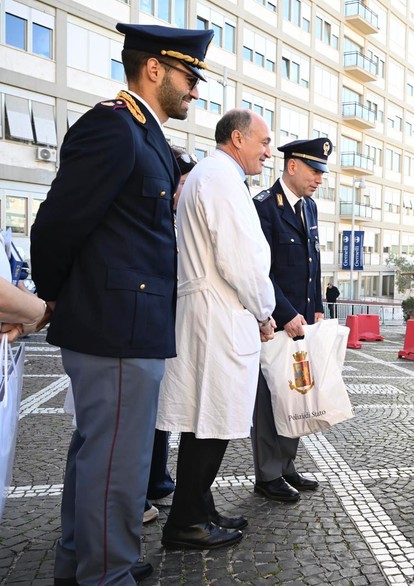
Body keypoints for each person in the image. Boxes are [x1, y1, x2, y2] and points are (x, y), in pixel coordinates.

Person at [29, 22, 213, 585]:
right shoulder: (114, 128)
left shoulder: (145, 135)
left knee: (98, 455)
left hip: (124, 323)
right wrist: (56, 298)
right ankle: (106, 575)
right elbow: (57, 223)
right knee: (117, 464)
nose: (195, 90)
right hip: (114, 325)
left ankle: (81, 563)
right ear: (153, 68)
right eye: (188, 76)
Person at [156, 109, 276, 550]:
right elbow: (240, 260)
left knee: (203, 417)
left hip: (209, 311)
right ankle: (186, 521)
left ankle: (199, 509)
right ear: (238, 138)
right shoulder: (222, 179)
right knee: (213, 419)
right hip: (220, 313)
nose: (268, 152)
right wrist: (265, 312)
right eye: (263, 143)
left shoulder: (210, 174)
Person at [249, 138, 331, 503]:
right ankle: (267, 474)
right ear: (292, 166)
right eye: (314, 170)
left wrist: (314, 306)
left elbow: (311, 264)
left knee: (296, 392)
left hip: (302, 320)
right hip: (276, 319)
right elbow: (260, 272)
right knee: (270, 398)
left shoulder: (309, 208)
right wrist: (284, 314)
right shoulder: (264, 208)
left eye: (322, 173)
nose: (319, 179)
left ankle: (286, 465)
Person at [143, 147, 199, 521]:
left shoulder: (178, 220)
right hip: (148, 327)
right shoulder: (155, 219)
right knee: (144, 416)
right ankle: (139, 492)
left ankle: (156, 481)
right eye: (182, 183)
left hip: (167, 329)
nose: (185, 191)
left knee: (158, 414)